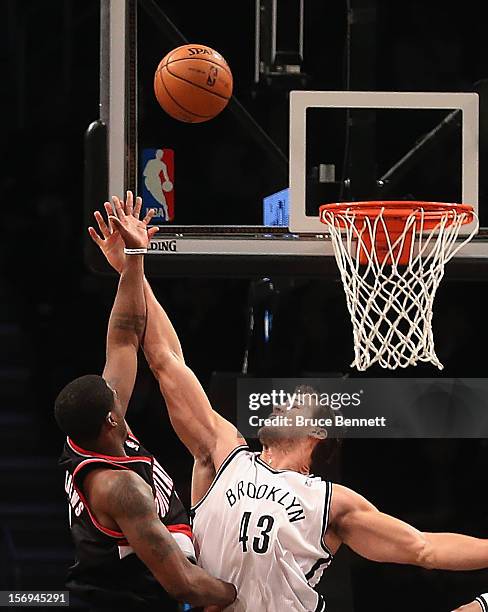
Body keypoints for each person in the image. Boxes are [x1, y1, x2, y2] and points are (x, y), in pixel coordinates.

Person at [91, 193, 488, 612]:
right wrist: (131, 265)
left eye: (298, 402)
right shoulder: (224, 452)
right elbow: (166, 360)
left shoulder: (332, 503)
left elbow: (424, 549)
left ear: (319, 431)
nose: (282, 404)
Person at [55, 196, 237, 612]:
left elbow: (124, 334)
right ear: (110, 421)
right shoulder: (120, 488)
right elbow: (185, 586)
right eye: (116, 402)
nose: (120, 394)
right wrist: (242, 594)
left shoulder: (92, 431)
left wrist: (133, 259)